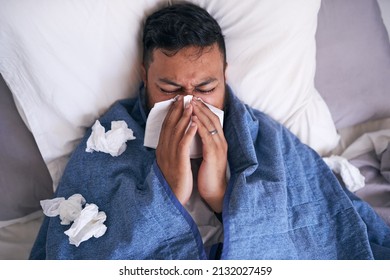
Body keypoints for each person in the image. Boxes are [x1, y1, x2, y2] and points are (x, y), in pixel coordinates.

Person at [30, 2, 390, 260]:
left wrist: (223, 196)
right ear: (145, 76)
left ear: (225, 76)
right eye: (170, 89)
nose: (188, 103)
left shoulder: (264, 138)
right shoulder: (109, 141)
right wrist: (167, 193)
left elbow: (313, 228)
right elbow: (84, 254)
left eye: (205, 88)